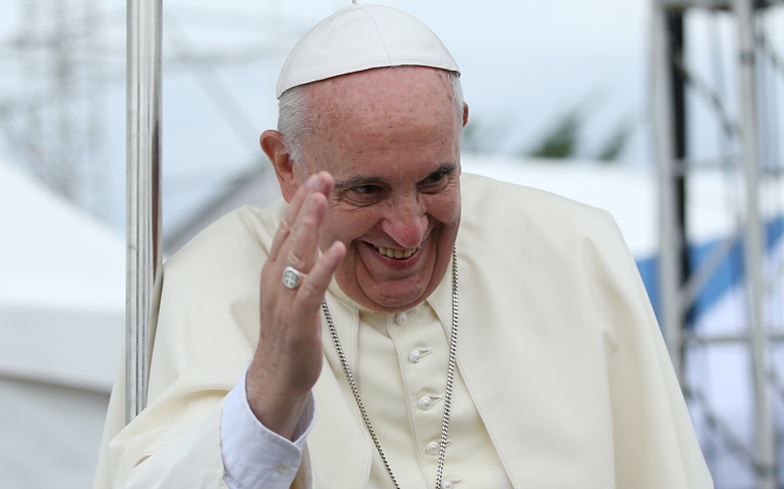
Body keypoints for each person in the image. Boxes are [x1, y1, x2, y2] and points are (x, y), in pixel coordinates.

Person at [94, 3, 714, 489]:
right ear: (286, 165)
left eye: (436, 179)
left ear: (461, 130)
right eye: (366, 189)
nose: (410, 228)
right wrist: (270, 393)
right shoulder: (209, 278)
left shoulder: (577, 247)